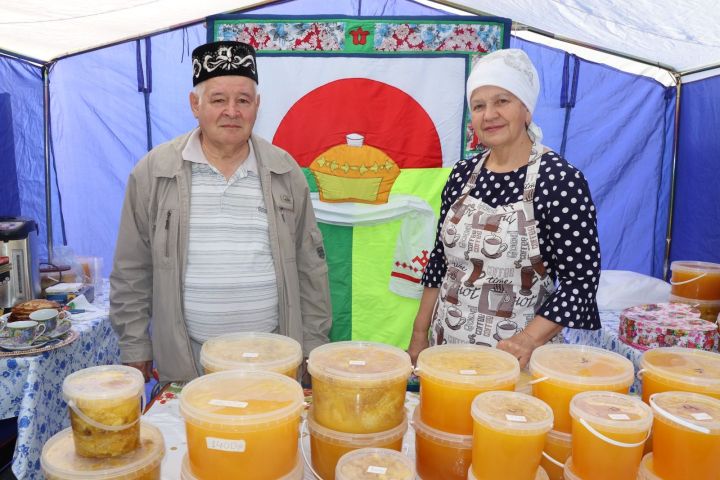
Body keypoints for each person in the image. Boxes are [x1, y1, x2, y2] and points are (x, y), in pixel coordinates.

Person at [110, 41, 332, 382]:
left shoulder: (284, 171)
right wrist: (135, 346)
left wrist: (313, 347)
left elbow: (310, 269)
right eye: (218, 100)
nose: (232, 111)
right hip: (189, 364)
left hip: (275, 360)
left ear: (257, 106)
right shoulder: (154, 172)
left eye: (243, 100)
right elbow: (131, 270)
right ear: (194, 104)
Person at [407, 49, 600, 368]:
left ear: (526, 109)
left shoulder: (559, 181)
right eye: (479, 106)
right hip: (446, 350)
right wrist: (418, 334)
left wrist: (527, 340)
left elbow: (580, 283)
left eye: (502, 101)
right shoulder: (461, 175)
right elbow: (441, 261)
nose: (489, 114)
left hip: (516, 360)